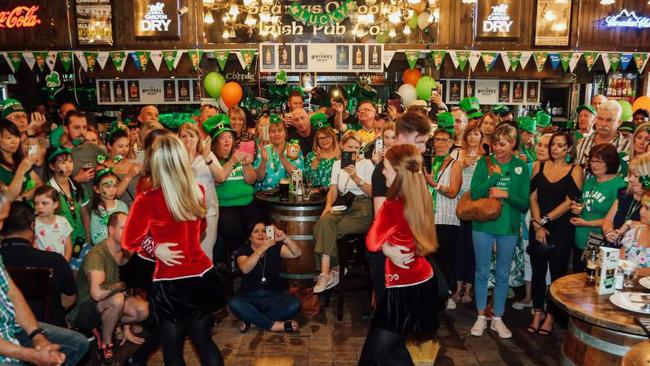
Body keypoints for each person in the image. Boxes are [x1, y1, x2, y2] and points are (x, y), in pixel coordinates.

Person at [122, 134, 226, 366]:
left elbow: (129, 240)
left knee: (173, 350)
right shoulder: (197, 190)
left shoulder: (147, 199)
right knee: (203, 341)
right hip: (202, 274)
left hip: (171, 281)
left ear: (156, 162)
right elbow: (202, 229)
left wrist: (154, 247)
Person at [359, 144, 439, 366]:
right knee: (383, 350)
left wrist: (384, 246)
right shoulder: (421, 198)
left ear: (397, 171)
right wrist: (388, 246)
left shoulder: (392, 206)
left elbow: (371, 241)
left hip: (402, 289)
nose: (382, 172)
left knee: (381, 354)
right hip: (423, 282)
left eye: (385, 168)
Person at [470, 123, 530, 339]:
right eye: (495, 143)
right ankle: (480, 316)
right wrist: (493, 178)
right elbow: (475, 194)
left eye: (503, 144)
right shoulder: (484, 163)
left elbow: (524, 204)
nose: (497, 148)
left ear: (513, 144)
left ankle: (497, 318)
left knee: (503, 273)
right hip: (483, 225)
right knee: (482, 272)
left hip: (509, 227)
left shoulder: (522, 167)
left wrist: (505, 194)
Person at [69, 212, 148, 364]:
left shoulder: (124, 252)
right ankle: (105, 343)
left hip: (108, 302)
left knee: (143, 309)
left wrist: (127, 329)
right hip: (83, 309)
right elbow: (97, 294)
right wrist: (121, 284)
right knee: (117, 300)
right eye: (123, 228)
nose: (128, 232)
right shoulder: (97, 254)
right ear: (111, 230)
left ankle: (109, 324)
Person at [528, 131, 582, 335]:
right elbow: (532, 197)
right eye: (553, 144)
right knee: (538, 273)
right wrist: (537, 223)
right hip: (538, 226)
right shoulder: (538, 166)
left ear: (568, 149)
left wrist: (545, 220)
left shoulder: (575, 170)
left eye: (560, 145)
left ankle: (552, 316)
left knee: (558, 275)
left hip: (561, 229)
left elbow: (570, 202)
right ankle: (537, 312)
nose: (555, 148)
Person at [313, 130, 374, 293]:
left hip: (363, 207)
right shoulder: (336, 164)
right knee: (321, 223)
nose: (353, 151)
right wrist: (327, 206)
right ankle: (331, 271)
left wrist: (355, 177)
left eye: (356, 147)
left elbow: (373, 193)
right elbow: (333, 189)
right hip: (343, 205)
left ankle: (330, 271)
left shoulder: (367, 164)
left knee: (327, 229)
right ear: (342, 146)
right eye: (350, 147)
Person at [1, 200, 78, 328]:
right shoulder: (54, 260)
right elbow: (70, 299)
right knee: (80, 343)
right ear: (32, 226)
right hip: (50, 329)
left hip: (6, 327)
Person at [229, 222, 302, 333]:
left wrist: (285, 238)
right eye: (256, 231)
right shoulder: (243, 250)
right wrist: (262, 249)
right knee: (234, 303)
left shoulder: (275, 248)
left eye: (264, 231)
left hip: (273, 296)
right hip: (250, 298)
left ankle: (253, 320)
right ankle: (273, 325)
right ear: (249, 237)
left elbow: (296, 253)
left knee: (295, 304)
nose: (261, 234)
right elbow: (245, 268)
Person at [424, 114, 462, 309]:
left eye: (444, 140)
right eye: (437, 139)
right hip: (428, 217)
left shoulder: (455, 164)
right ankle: (432, 292)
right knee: (429, 258)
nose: (439, 143)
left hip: (447, 218)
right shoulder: (428, 161)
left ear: (452, 143)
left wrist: (435, 184)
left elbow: (454, 191)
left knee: (445, 258)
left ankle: (447, 293)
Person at [570, 143, 627, 272]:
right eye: (592, 161)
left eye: (599, 161)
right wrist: (577, 209)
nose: (594, 165)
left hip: (602, 241)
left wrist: (588, 223)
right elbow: (586, 205)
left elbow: (617, 219)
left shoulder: (619, 186)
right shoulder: (590, 181)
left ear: (610, 162)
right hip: (581, 239)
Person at [178, 122, 225, 261]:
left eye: (192, 136)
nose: (188, 139)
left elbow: (221, 177)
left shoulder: (207, 154)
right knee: (185, 253)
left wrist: (206, 158)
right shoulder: (175, 157)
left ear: (198, 138)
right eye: (183, 136)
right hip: (183, 212)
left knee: (205, 253)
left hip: (207, 211)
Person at [450, 124, 482, 304]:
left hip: (476, 209)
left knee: (473, 250)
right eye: (469, 134)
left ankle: (468, 289)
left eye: (476, 134)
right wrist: (461, 165)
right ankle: (457, 287)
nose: (472, 138)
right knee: (458, 249)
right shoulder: (456, 154)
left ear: (481, 137)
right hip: (457, 207)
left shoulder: (486, 159)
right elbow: (448, 176)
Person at [46, 146, 91, 271]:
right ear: (52, 166)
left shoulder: (77, 186)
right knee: (65, 278)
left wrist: (88, 239)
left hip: (81, 241)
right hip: (61, 244)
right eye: (62, 162)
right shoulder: (48, 190)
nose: (68, 165)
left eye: (70, 161)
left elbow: (85, 215)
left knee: (78, 277)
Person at [602, 154, 649, 245]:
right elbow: (608, 220)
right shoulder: (624, 194)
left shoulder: (648, 202)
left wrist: (630, 224)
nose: (630, 179)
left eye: (636, 176)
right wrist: (609, 233)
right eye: (630, 175)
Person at [575, 100, 630, 172]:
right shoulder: (581, 143)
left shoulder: (628, 147)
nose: (603, 124)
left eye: (609, 120)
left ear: (619, 122)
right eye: (600, 119)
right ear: (595, 119)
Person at [253, 114, 304, 192]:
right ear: (268, 133)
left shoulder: (294, 148)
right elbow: (258, 178)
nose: (276, 134)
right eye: (273, 131)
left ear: (285, 132)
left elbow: (298, 176)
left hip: (289, 194)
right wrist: (263, 161)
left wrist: (282, 158)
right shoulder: (263, 149)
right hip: (265, 195)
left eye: (280, 130)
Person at [0, 119, 40, 202]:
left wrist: (23, 197)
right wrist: (21, 171)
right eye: (8, 137)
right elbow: (8, 198)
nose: (14, 141)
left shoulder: (19, 159)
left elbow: (39, 184)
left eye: (16, 136)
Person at [101, 127, 141, 206]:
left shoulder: (134, 165)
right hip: (116, 213)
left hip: (135, 211)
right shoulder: (103, 168)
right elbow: (112, 195)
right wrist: (129, 176)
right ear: (109, 146)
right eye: (120, 146)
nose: (124, 150)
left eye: (127, 146)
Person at [89, 168, 128, 245]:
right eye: (107, 186)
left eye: (115, 186)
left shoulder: (122, 205)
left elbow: (129, 227)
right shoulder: (97, 212)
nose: (112, 190)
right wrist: (114, 235)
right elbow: (95, 239)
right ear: (97, 189)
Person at [34, 186, 73, 262]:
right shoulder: (33, 224)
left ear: (55, 204)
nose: (39, 206)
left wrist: (64, 263)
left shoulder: (63, 221)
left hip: (61, 264)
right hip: (42, 266)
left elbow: (68, 247)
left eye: (44, 203)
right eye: (36, 203)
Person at [304, 115, 340, 190]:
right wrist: (317, 160)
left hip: (337, 193)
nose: (324, 140)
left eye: (327, 137)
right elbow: (308, 179)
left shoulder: (341, 154)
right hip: (316, 195)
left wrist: (339, 160)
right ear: (317, 141)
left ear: (333, 138)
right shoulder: (311, 155)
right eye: (321, 138)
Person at [619, 192, 650, 267]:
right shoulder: (633, 233)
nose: (641, 211)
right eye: (642, 206)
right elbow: (620, 263)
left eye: (647, 208)